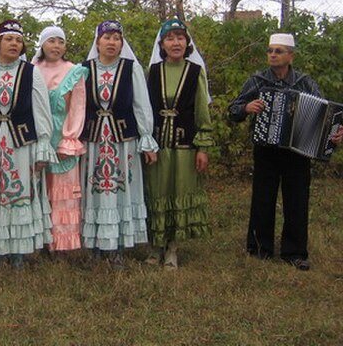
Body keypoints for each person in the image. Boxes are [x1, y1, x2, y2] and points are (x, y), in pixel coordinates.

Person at [228, 33, 343, 271]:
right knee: (262, 198)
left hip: (297, 151)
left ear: (290, 55)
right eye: (270, 50)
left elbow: (326, 114)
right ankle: (260, 248)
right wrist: (247, 107)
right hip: (266, 149)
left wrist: (337, 132)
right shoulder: (258, 80)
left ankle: (295, 252)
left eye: (278, 51)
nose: (272, 55)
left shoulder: (304, 82)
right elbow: (233, 109)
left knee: (297, 199)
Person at [0, 19, 56, 268]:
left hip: (21, 143)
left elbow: (41, 110)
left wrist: (42, 145)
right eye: (9, 39)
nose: (14, 44)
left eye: (18, 40)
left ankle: (18, 253)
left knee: (19, 194)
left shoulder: (31, 72)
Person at [80, 20, 158, 269]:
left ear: (122, 43)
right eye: (107, 38)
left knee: (120, 191)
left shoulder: (130, 68)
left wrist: (146, 138)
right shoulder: (85, 69)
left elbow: (141, 105)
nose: (111, 42)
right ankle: (95, 245)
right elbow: (77, 106)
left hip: (123, 141)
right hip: (94, 141)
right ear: (97, 42)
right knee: (95, 192)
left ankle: (118, 248)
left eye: (116, 38)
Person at [144, 19, 213, 269]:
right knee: (157, 192)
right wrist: (145, 141)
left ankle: (172, 248)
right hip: (158, 145)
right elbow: (146, 109)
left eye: (180, 38)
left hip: (185, 145)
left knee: (179, 191)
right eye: (170, 38)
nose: (176, 43)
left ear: (187, 42)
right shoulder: (153, 71)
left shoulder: (196, 72)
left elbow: (201, 111)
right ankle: (155, 246)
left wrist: (203, 146)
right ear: (162, 43)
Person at [32, 26, 88, 253]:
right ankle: (41, 243)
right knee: (39, 189)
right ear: (42, 44)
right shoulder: (31, 70)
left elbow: (78, 107)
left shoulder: (74, 71)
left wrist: (69, 138)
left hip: (62, 134)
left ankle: (62, 244)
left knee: (62, 191)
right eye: (51, 41)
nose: (56, 46)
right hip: (36, 136)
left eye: (60, 42)